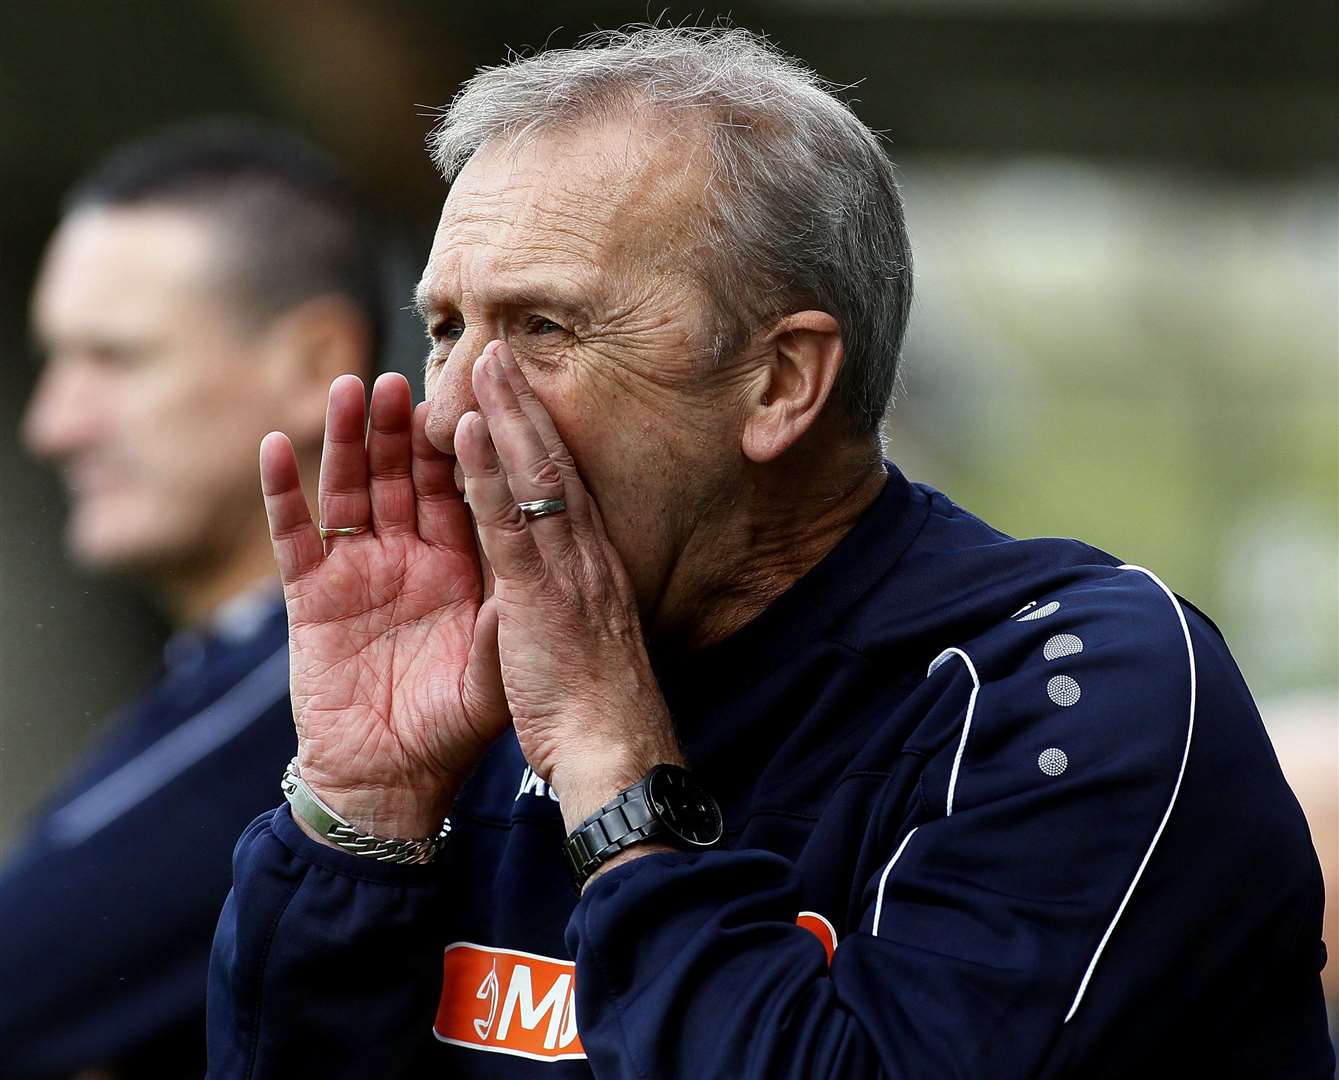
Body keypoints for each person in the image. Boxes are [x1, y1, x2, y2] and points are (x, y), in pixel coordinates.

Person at [207, 26, 1333, 1079]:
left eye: (542, 329)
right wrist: (366, 809)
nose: (451, 411)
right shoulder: (476, 692)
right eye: (446, 328)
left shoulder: (1079, 689)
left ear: (782, 381)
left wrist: (615, 768)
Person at [2, 123, 385, 1078]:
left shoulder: (324, 696)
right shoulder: (235, 673)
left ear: (314, 362)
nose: (53, 426)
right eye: (55, 360)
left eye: (116, 359)